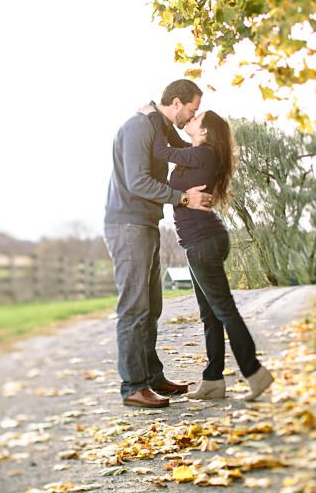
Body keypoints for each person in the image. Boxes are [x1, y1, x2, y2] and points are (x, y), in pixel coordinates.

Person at [148, 108, 274, 402]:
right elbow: (173, 143)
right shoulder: (196, 154)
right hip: (200, 242)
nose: (189, 120)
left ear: (204, 132)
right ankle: (213, 380)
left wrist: (152, 115)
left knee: (224, 310)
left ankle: (255, 372)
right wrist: (164, 116)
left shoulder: (203, 155)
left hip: (203, 242)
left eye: (195, 119)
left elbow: (160, 149)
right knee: (210, 314)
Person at [103, 79, 214, 409]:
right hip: (128, 224)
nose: (191, 117)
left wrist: (156, 115)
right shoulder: (139, 128)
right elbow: (138, 181)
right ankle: (133, 386)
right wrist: (182, 198)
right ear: (177, 103)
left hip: (144, 223)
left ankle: (152, 377)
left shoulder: (156, 125)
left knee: (151, 306)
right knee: (135, 307)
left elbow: (178, 143)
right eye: (192, 110)